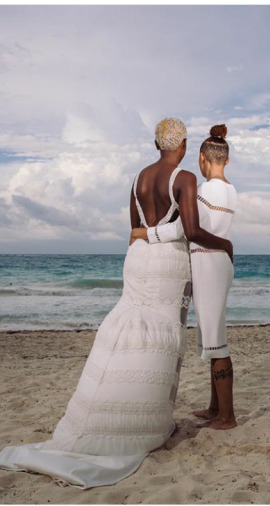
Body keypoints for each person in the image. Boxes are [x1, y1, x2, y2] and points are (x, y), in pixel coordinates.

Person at [0, 118, 232, 489]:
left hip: (137, 257)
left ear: (158, 144)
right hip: (166, 261)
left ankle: (103, 418)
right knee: (158, 336)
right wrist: (224, 246)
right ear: (184, 145)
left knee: (128, 329)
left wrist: (139, 253)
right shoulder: (186, 179)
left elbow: (132, 228)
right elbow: (189, 231)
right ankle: (144, 425)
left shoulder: (138, 179)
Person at [130, 124, 237, 430]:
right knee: (212, 332)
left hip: (207, 263)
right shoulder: (231, 191)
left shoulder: (202, 191)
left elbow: (181, 230)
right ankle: (215, 407)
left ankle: (227, 417)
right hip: (219, 263)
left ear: (202, 159)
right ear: (226, 161)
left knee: (217, 340)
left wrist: (144, 232)